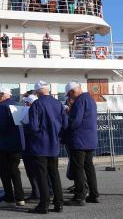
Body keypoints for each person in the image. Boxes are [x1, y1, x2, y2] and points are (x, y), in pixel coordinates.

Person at [26, 81, 67, 214]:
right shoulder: (58, 104)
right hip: (54, 145)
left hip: (40, 145)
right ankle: (59, 204)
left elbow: (33, 127)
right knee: (54, 174)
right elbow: (65, 124)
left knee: (42, 176)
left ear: (37, 92)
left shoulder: (36, 104)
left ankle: (43, 205)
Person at [64, 82, 99, 206]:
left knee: (78, 168)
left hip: (79, 141)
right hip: (91, 140)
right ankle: (94, 194)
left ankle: (79, 197)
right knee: (89, 167)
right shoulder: (90, 99)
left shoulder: (79, 101)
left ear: (72, 92)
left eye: (69, 95)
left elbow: (75, 122)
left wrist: (67, 118)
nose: (69, 98)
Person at [0, 86, 25, 208]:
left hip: (5, 145)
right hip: (17, 144)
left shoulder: (2, 107)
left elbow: (2, 127)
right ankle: (20, 197)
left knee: (4, 172)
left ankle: (10, 198)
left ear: (5, 94)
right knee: (15, 171)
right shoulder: (17, 105)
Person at [20, 94, 40, 202]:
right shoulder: (39, 110)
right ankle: (44, 191)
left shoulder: (28, 111)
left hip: (30, 145)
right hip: (39, 146)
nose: (25, 104)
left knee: (32, 170)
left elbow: (31, 127)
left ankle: (36, 193)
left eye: (27, 103)